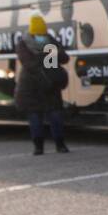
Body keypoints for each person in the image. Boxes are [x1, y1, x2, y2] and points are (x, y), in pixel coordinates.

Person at [14, 14, 70, 155]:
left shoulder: (49, 42)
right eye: (38, 34)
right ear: (33, 32)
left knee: (55, 116)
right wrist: (46, 56)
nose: (41, 36)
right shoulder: (25, 44)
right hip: (32, 87)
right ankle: (40, 147)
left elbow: (64, 58)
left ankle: (58, 144)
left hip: (49, 85)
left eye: (42, 33)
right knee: (36, 117)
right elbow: (30, 65)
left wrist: (52, 53)